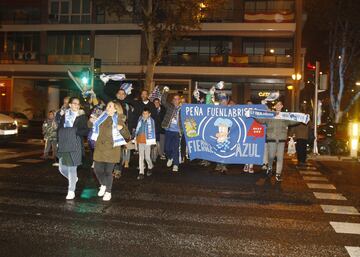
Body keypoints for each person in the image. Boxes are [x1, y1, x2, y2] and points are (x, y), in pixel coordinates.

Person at [89, 101, 130, 201]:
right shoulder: (101, 117)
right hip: (99, 149)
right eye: (108, 105)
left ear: (116, 109)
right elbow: (91, 126)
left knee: (108, 171)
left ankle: (108, 191)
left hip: (112, 150)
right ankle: (103, 184)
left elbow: (127, 136)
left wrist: (121, 129)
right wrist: (91, 121)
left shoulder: (119, 119)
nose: (108, 107)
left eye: (111, 106)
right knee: (97, 170)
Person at [255, 101, 300, 182]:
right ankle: (270, 167)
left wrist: (302, 118)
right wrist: (253, 115)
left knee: (280, 158)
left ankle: (278, 174)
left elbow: (293, 121)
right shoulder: (270, 114)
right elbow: (261, 120)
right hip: (271, 139)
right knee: (271, 156)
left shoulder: (285, 116)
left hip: (281, 139)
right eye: (277, 105)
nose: (278, 106)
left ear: (282, 106)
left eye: (280, 105)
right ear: (275, 106)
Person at [57, 97, 89, 200]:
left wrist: (74, 131)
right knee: (62, 168)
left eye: (78, 104)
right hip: (64, 143)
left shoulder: (82, 116)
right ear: (70, 105)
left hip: (75, 143)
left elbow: (85, 131)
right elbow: (59, 129)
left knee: (72, 168)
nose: (76, 106)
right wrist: (58, 141)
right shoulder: (64, 115)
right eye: (74, 103)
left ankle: (71, 191)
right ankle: (73, 179)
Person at [161, 88, 182, 172]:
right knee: (167, 148)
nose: (176, 100)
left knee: (175, 148)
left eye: (177, 99)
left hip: (177, 132)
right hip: (168, 130)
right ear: (173, 100)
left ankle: (176, 164)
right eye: (175, 99)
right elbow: (163, 101)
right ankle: (170, 157)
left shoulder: (182, 109)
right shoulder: (170, 106)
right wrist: (165, 92)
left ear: (179, 100)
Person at [135, 108, 156, 180]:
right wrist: (135, 136)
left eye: (146, 113)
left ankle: (150, 166)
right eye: (143, 113)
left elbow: (153, 131)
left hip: (148, 140)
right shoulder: (140, 119)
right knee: (141, 156)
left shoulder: (151, 121)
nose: (144, 115)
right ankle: (141, 172)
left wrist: (153, 141)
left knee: (147, 156)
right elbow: (137, 128)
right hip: (140, 139)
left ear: (149, 114)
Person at [243, 100, 255, 174]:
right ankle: (246, 165)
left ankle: (251, 166)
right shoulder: (243, 113)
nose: (249, 106)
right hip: (245, 134)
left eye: (251, 104)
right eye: (248, 104)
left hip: (253, 133)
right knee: (246, 150)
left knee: (253, 150)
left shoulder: (255, 113)